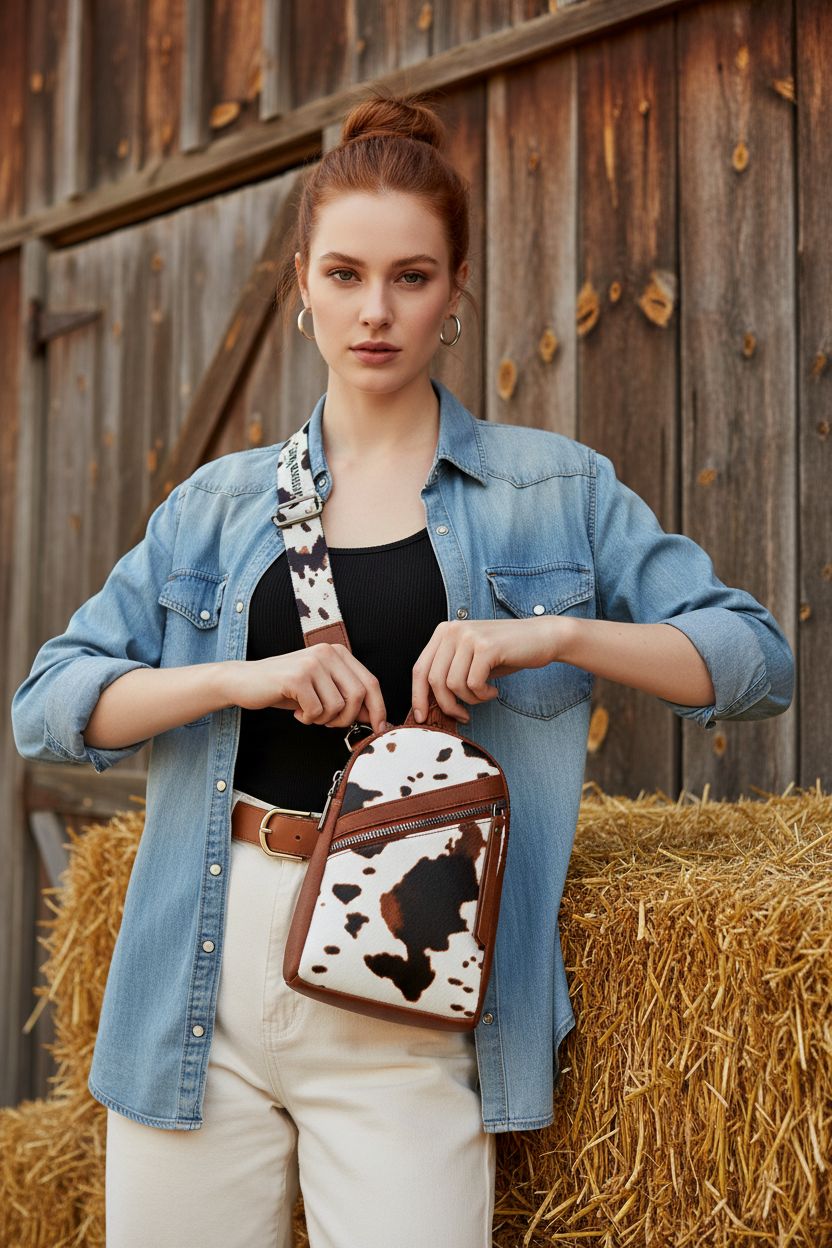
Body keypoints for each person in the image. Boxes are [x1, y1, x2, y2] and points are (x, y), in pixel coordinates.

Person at [11, 87, 794, 1248]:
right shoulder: (215, 505)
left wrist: (554, 636)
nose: (374, 311)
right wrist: (241, 679)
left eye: (410, 277)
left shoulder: (554, 490)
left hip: (411, 981)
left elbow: (755, 663)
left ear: (455, 292)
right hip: (201, 979)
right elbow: (47, 708)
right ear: (301, 285)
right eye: (344, 275)